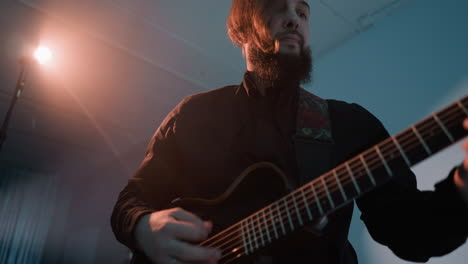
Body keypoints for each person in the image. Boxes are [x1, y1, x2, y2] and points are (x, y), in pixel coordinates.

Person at [110, 0, 468, 263]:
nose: (294, 19)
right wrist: (143, 227)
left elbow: (413, 235)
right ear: (242, 30)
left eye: (302, 12)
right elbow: (132, 200)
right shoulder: (193, 115)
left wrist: (463, 188)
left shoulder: (350, 125)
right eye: (278, 8)